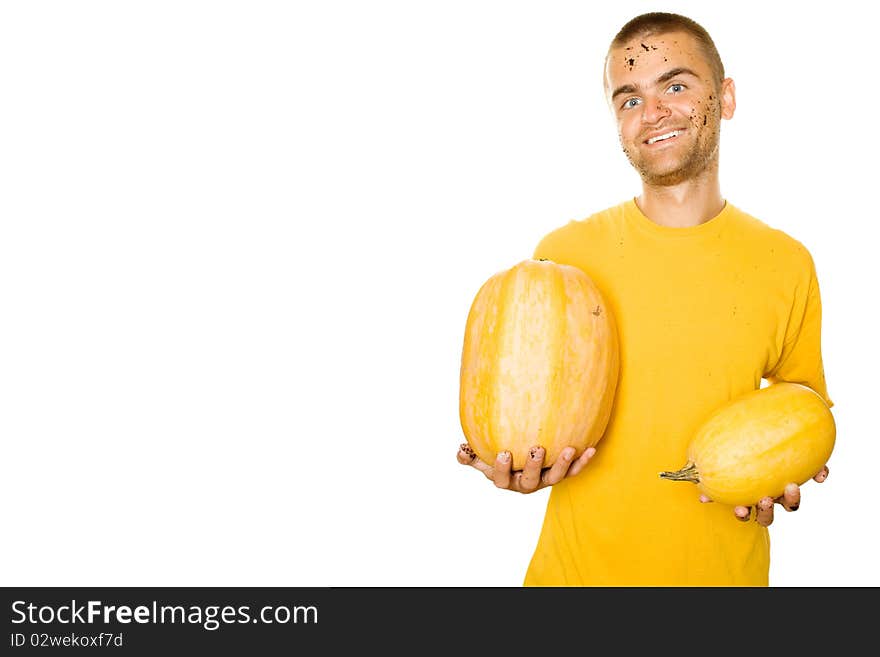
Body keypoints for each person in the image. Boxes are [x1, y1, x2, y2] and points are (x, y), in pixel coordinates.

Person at [456, 11, 833, 586]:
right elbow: (528, 405)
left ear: (726, 97)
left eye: (675, 86)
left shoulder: (788, 263)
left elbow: (803, 408)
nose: (651, 113)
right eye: (628, 99)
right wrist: (518, 460)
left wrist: (783, 475)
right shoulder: (562, 257)